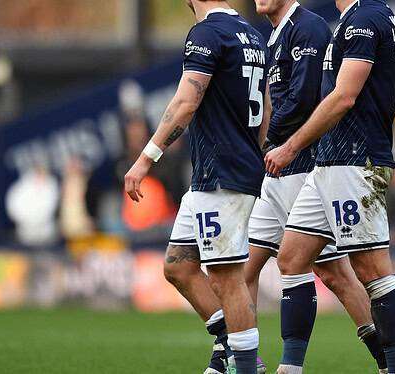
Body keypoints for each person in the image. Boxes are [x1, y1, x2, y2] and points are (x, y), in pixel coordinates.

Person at [264, 0, 395, 373]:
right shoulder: (353, 18)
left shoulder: (366, 16)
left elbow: (345, 96)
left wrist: (291, 145)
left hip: (357, 160)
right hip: (330, 161)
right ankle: (290, 368)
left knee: (372, 269)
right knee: (292, 257)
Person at [123, 1, 269, 373]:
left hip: (223, 174)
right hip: (218, 173)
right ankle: (227, 347)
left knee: (226, 276)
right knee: (178, 266)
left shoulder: (207, 33)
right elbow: (267, 108)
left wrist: (145, 158)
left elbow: (186, 103)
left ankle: (246, 366)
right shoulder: (251, 33)